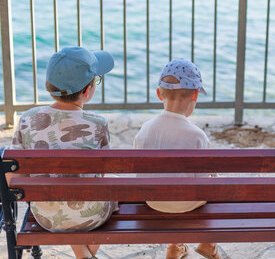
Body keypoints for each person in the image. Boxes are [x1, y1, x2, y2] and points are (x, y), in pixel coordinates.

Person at [7, 46, 118, 259]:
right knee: (114, 185)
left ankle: (81, 253)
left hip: (46, 217)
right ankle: (83, 253)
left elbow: (15, 179)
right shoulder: (98, 124)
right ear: (87, 91)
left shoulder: (28, 120)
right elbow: (103, 174)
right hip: (92, 216)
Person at [133, 58, 221, 259]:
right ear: (195, 95)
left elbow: (139, 174)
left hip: (153, 202)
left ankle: (175, 246)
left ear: (159, 94)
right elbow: (203, 183)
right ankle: (208, 243)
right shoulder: (197, 135)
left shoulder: (145, 130)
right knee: (215, 180)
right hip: (188, 204)